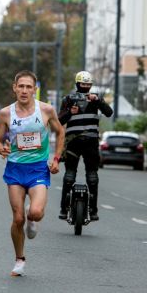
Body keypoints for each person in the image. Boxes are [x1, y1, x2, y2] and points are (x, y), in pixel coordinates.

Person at [0, 70, 64, 277]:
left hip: (38, 168)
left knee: (34, 213)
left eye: (28, 87)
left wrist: (57, 158)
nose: (24, 90)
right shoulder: (6, 113)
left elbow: (61, 132)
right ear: (14, 88)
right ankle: (19, 260)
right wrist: (0, 149)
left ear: (35, 90)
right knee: (17, 218)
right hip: (15, 169)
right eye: (21, 86)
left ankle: (33, 219)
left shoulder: (46, 110)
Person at [57, 71, 113, 221]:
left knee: (92, 177)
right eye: (83, 84)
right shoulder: (68, 99)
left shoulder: (95, 99)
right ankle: (63, 208)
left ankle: (93, 210)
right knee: (69, 176)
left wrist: (99, 100)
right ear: (77, 84)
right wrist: (70, 112)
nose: (86, 87)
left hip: (91, 142)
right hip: (73, 142)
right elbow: (59, 121)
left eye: (88, 85)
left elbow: (109, 112)